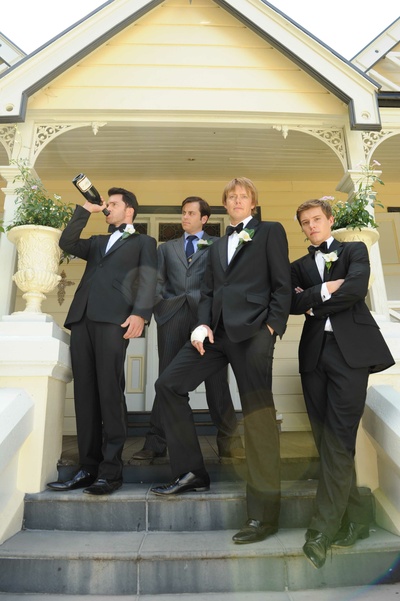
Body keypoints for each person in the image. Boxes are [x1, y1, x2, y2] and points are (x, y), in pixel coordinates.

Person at [150, 177, 292, 546]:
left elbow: (282, 283)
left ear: (253, 202)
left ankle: (263, 515)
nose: (237, 201)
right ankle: (192, 472)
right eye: (232, 197)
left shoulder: (270, 231)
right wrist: (201, 324)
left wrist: (272, 328)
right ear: (225, 204)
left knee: (257, 417)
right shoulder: (218, 244)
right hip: (215, 334)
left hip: (254, 333)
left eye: (243, 196)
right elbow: (210, 291)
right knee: (168, 385)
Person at [291, 198, 394, 569]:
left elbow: (355, 290)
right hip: (314, 358)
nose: (311, 226)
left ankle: (321, 531)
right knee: (327, 442)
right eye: (305, 222)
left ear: (330, 220)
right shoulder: (298, 266)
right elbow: (290, 302)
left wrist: (314, 303)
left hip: (351, 355)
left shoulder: (354, 251)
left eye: (316, 219)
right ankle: (357, 519)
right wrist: (325, 289)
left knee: (338, 439)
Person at [47, 187, 157, 495]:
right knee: (85, 394)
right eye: (106, 204)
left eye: (113, 204)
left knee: (109, 391)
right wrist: (86, 209)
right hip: (82, 319)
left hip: (114, 320)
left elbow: (149, 279)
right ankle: (87, 468)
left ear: (129, 211)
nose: (107, 207)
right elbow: (66, 242)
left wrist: (140, 314)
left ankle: (111, 472)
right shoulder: (96, 242)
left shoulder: (144, 242)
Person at [132, 197, 243, 461]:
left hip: (207, 320)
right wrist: (160, 307)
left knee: (216, 380)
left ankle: (229, 442)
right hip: (172, 317)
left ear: (204, 218)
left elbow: (223, 282)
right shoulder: (166, 248)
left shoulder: (218, 245)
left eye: (191, 213)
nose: (185, 217)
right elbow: (157, 280)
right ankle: (156, 442)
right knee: (166, 379)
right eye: (183, 212)